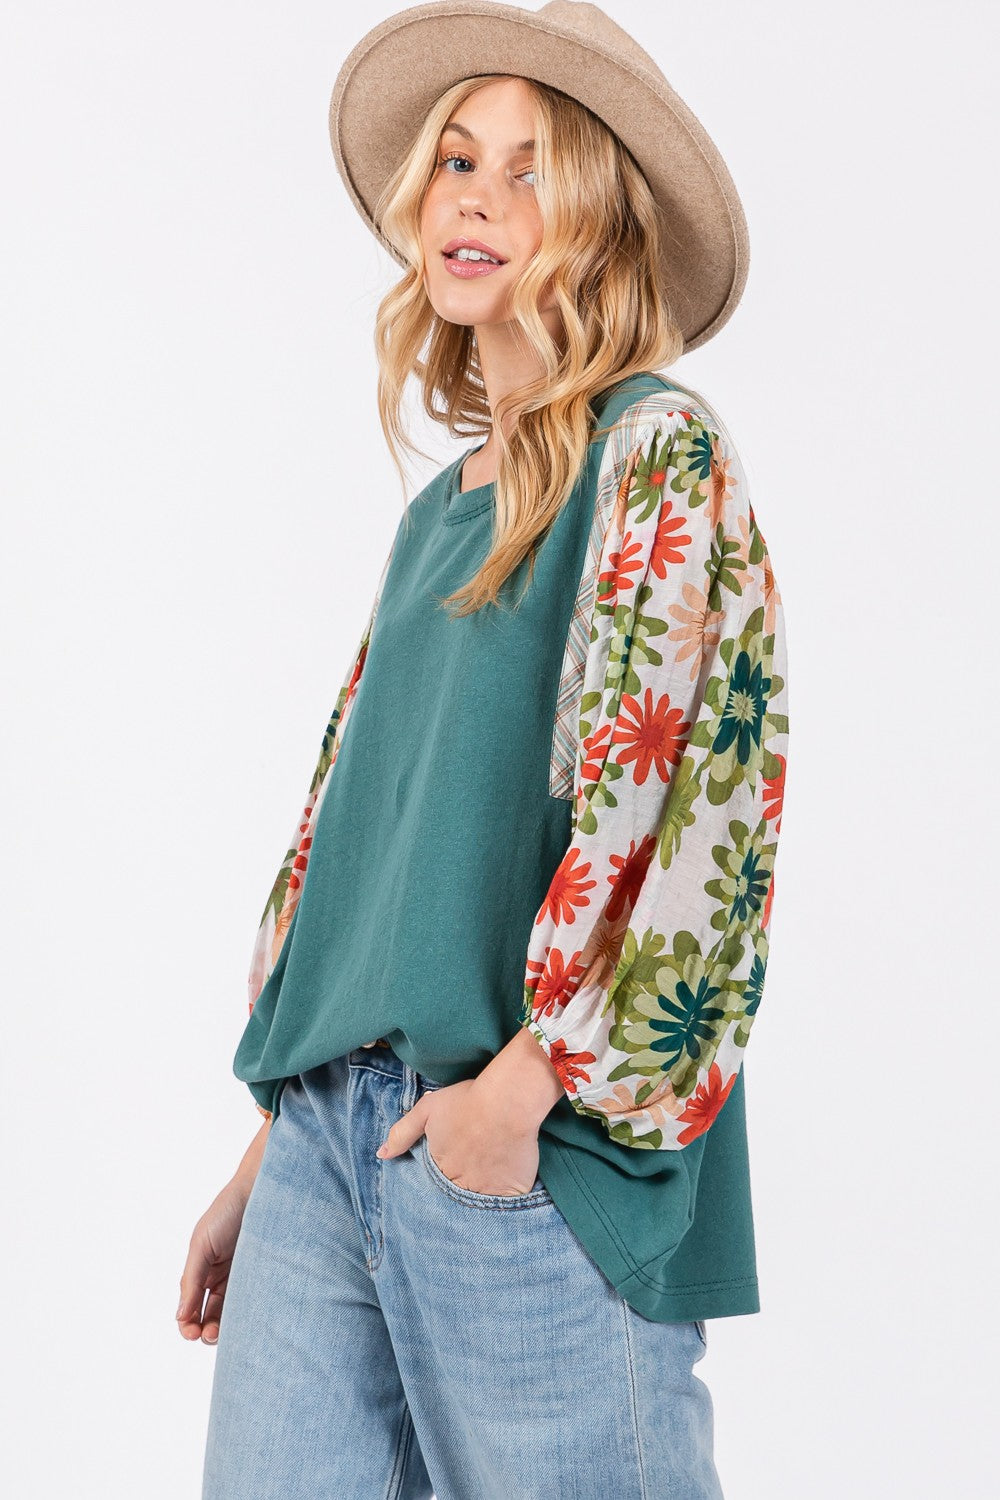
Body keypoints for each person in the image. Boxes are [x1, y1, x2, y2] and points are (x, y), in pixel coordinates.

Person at [179, 4, 790, 1496]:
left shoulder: (656, 450)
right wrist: (276, 1143)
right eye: (459, 159)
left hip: (527, 1140)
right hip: (332, 1142)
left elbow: (691, 819)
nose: (477, 198)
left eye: (533, 171)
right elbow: (367, 842)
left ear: (601, 224)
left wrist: (522, 1092)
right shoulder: (440, 511)